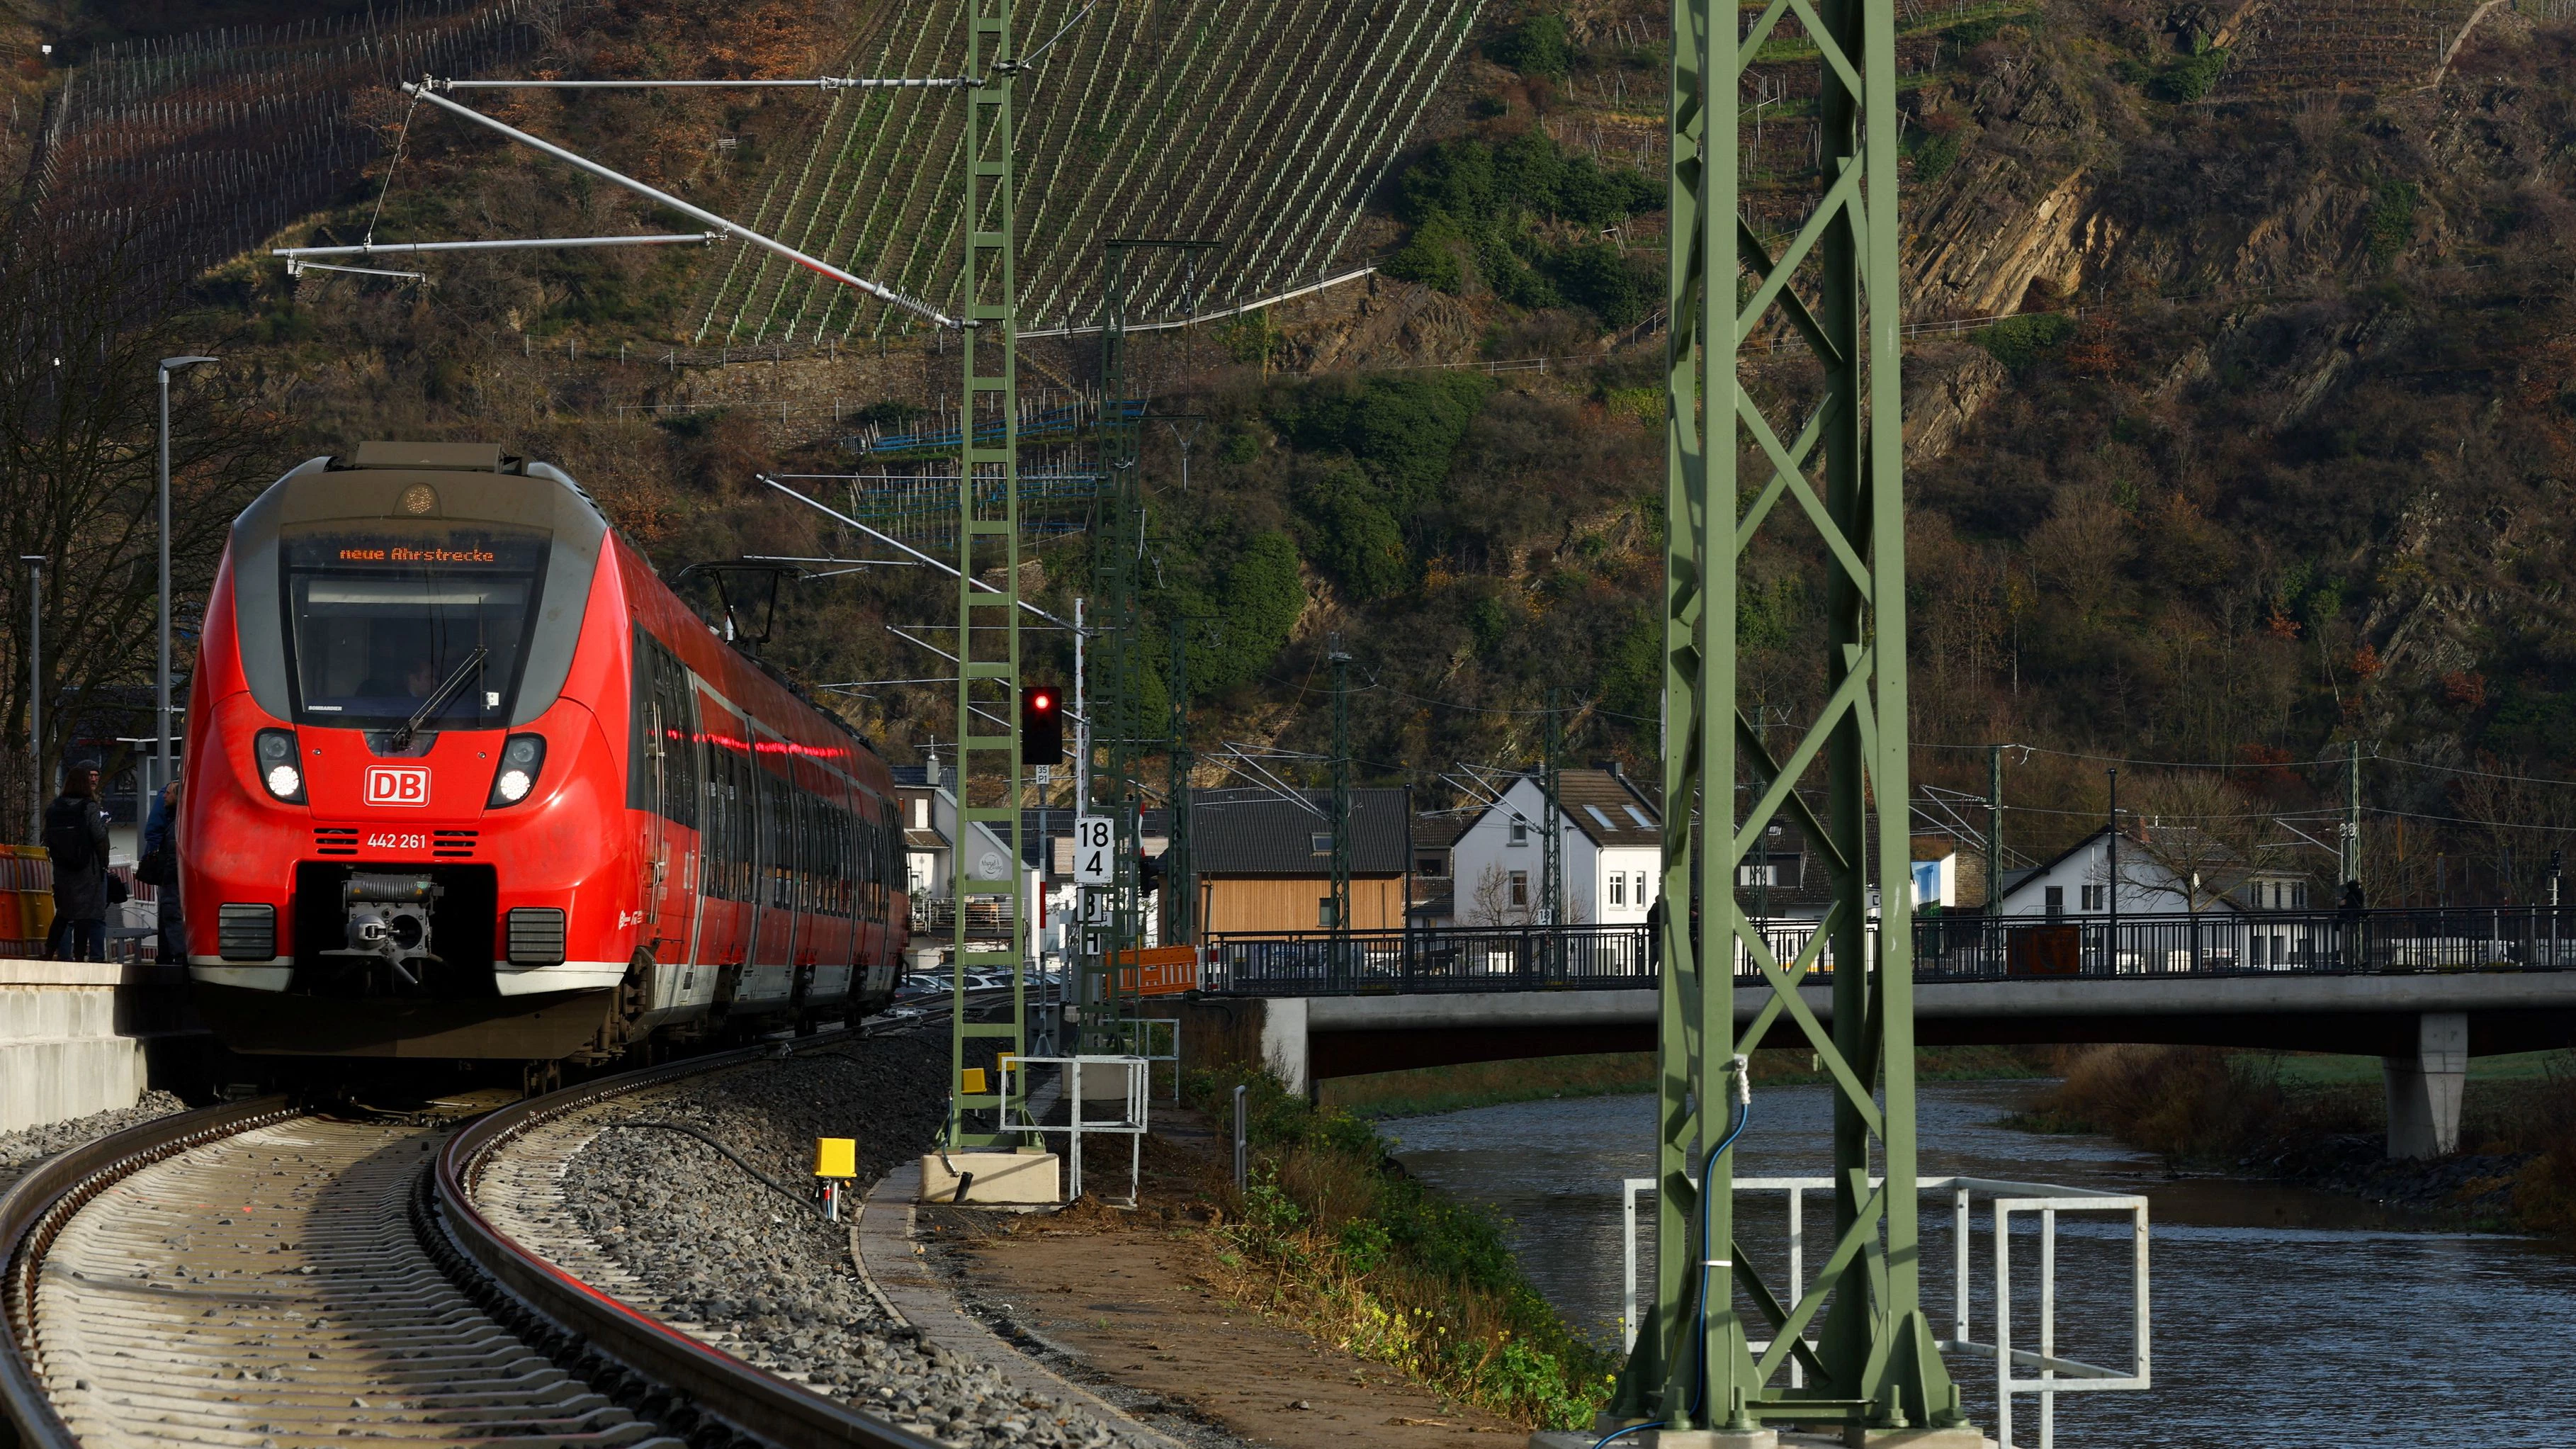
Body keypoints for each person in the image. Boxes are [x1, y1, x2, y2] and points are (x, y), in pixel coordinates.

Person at [43, 763, 113, 963]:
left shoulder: (54, 807)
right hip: (85, 868)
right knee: (85, 913)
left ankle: (49, 952)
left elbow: (47, 836)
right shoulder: (88, 806)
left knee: (64, 913)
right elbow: (98, 835)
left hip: (62, 869)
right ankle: (80, 956)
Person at [140, 778, 182, 963]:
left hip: (170, 877)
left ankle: (171, 957)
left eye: (168, 793)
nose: (163, 796)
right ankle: (172, 956)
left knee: (170, 913)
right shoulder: (179, 823)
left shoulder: (172, 825)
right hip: (173, 877)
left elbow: (153, 833)